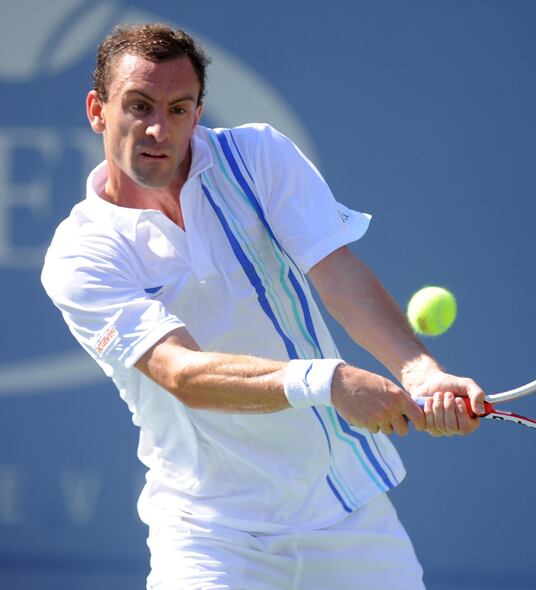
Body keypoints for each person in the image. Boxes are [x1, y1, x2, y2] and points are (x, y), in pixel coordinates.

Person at [41, 23, 485, 589]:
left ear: (198, 113)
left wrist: (422, 372)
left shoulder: (258, 157)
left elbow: (341, 278)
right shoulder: (80, 254)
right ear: (97, 111)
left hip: (345, 510)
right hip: (208, 535)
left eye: (179, 109)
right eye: (139, 105)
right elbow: (181, 372)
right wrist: (327, 382)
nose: (158, 128)